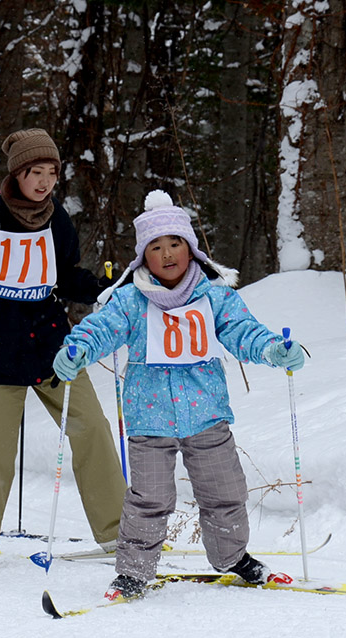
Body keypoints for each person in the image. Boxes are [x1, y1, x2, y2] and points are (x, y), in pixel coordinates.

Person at [52, 190, 306, 600]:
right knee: (149, 500)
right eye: (156, 247)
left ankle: (232, 557)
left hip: (207, 414)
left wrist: (274, 349)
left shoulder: (215, 297)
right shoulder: (131, 300)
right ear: (142, 257)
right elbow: (102, 328)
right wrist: (77, 349)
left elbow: (243, 332)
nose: (167, 254)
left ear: (190, 249)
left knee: (225, 492)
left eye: (175, 244)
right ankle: (134, 572)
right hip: (149, 420)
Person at [0, 128, 126, 571]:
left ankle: (120, 534)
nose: (44, 182)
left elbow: (67, 275)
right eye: (35, 172)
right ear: (17, 174)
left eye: (51, 173)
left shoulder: (57, 220)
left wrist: (99, 287)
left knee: (93, 430)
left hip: (53, 350)